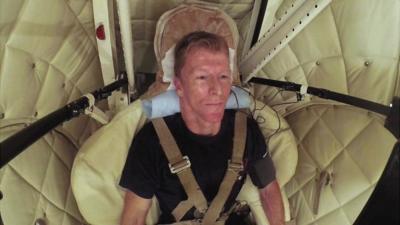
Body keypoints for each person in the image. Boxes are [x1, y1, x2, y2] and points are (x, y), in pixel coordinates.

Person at [119, 31, 285, 225]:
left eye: (223, 76)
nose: (216, 89)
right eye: (202, 77)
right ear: (179, 86)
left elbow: (268, 189)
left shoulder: (246, 130)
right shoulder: (151, 142)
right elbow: (135, 216)